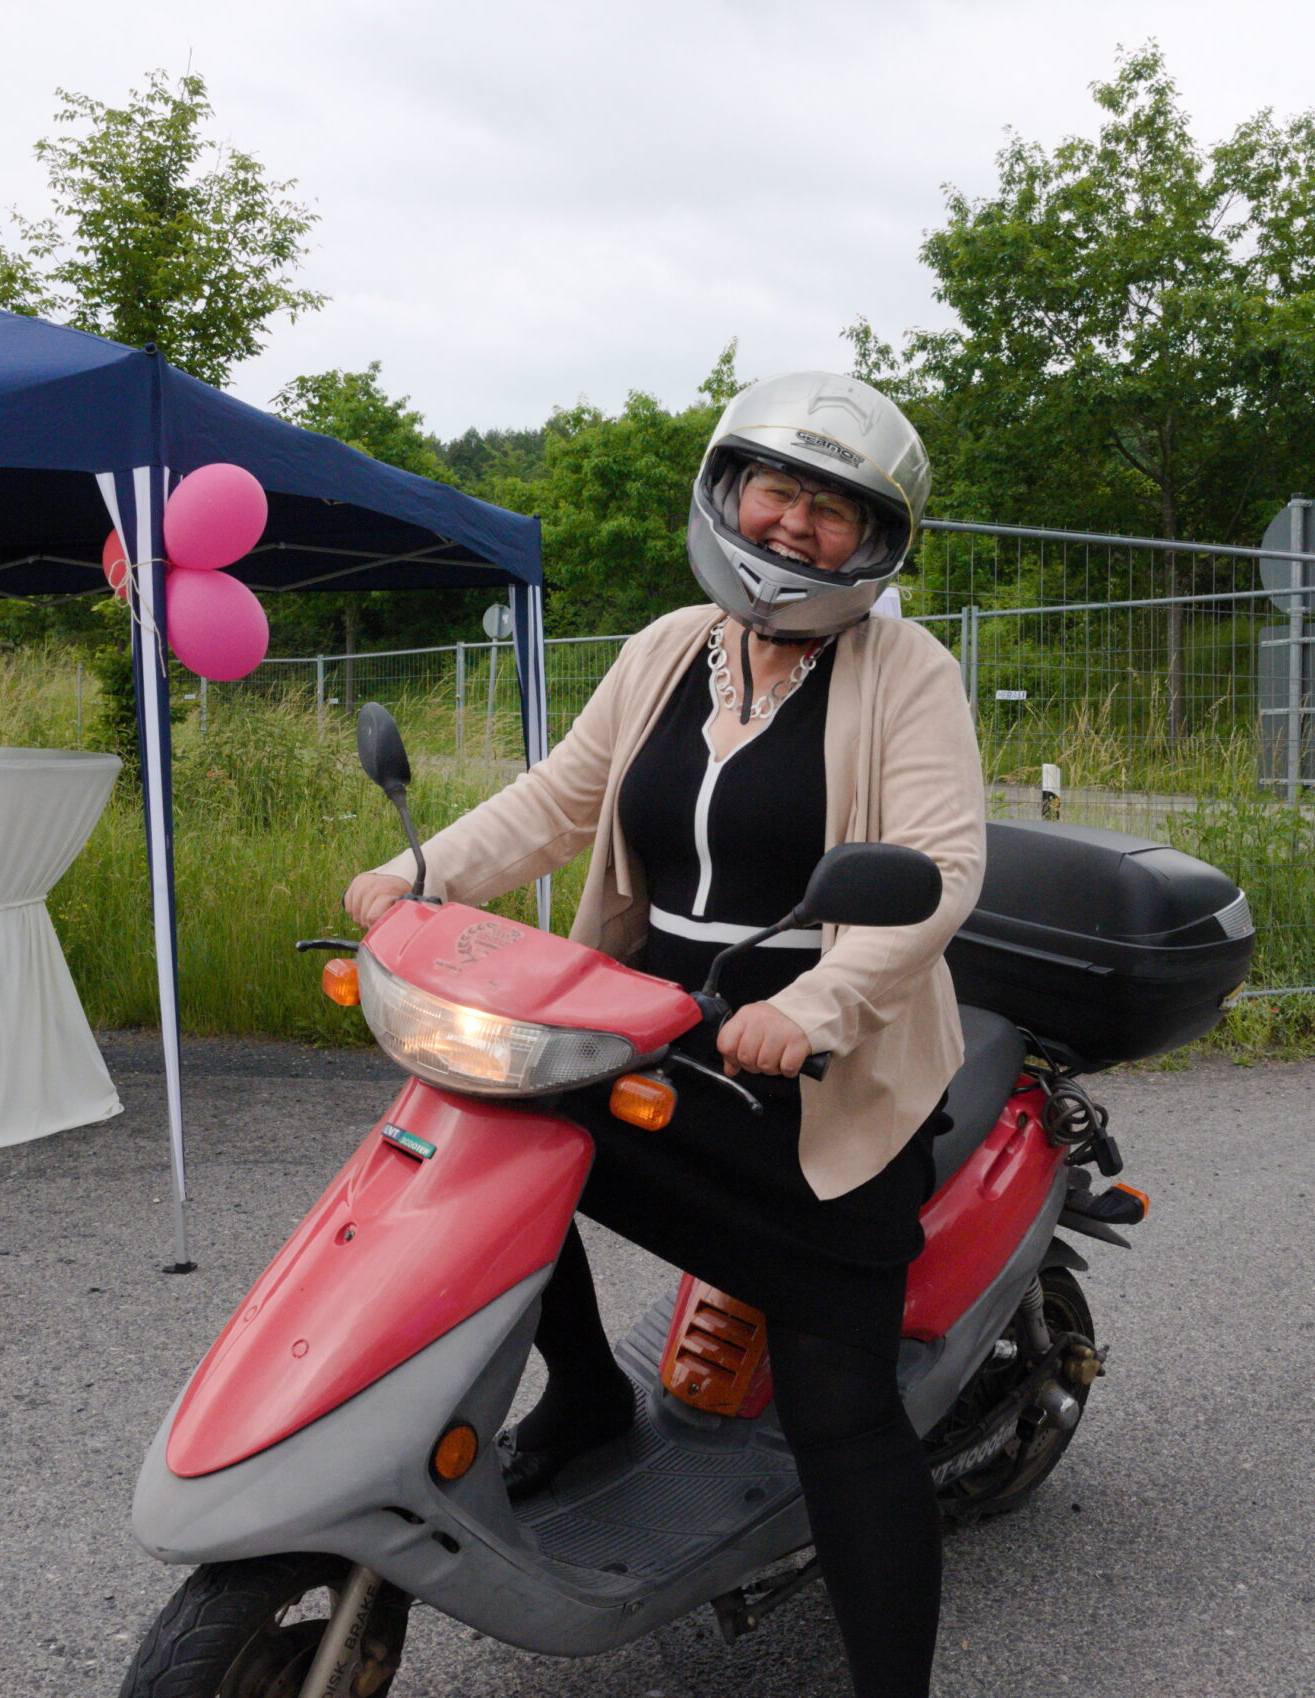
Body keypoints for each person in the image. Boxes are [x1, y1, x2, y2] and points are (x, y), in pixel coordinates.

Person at [343, 372, 984, 1698]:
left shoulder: (906, 671)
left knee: (839, 1409)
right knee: (488, 1115)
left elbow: (940, 867)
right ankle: (581, 1391)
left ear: (874, 538)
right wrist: (423, 877)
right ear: (729, 488)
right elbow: (559, 798)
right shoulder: (669, 645)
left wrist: (808, 1009)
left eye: (833, 508)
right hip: (647, 1024)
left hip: (814, 1076)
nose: (797, 525)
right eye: (780, 490)